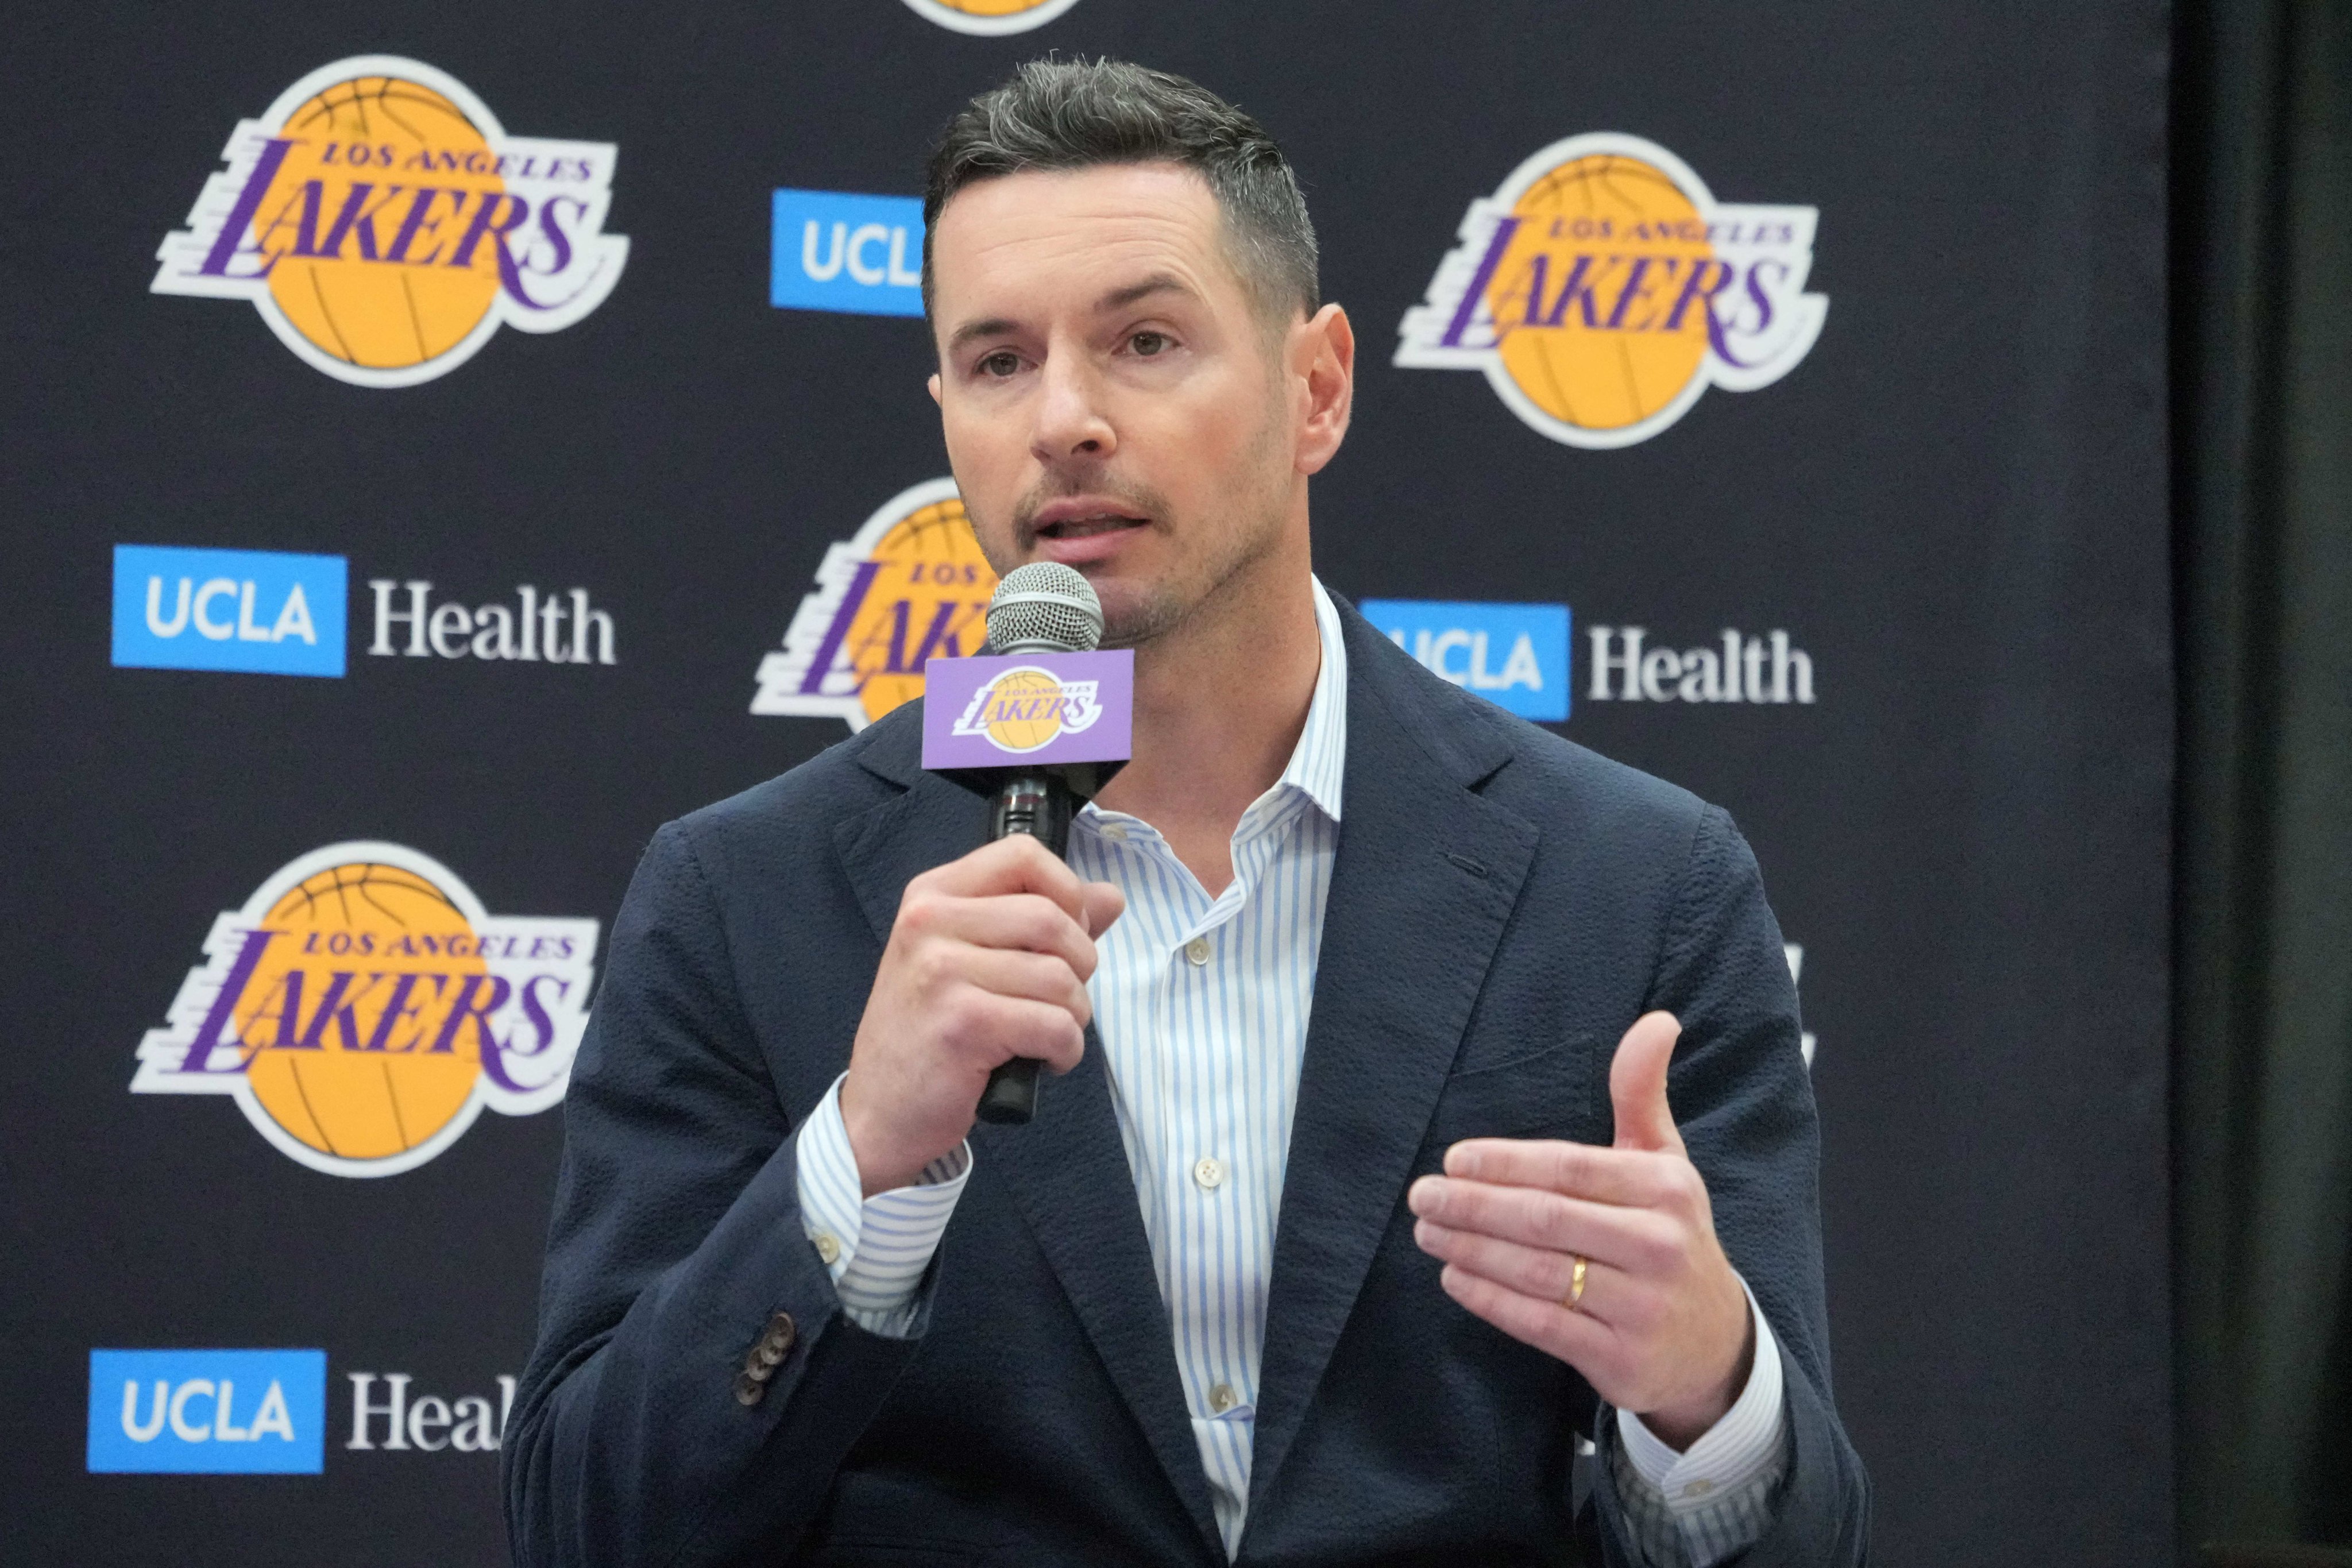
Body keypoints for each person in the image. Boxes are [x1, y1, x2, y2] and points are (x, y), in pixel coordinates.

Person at [505, 58, 1868, 1568]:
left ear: (1319, 386)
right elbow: (590, 1526)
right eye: (1000, 360)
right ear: (947, 408)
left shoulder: (1635, 880)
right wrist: (859, 1157)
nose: (1067, 419)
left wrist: (1704, 1392)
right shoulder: (743, 897)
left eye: (1145, 340)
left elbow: (1805, 1542)